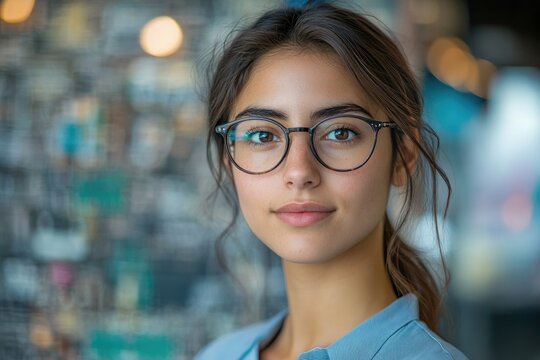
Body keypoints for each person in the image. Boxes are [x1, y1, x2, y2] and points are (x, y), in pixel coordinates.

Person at [196, 3, 468, 359]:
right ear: (227, 159)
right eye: (263, 136)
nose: (299, 172)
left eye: (340, 132)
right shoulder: (218, 355)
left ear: (404, 155)